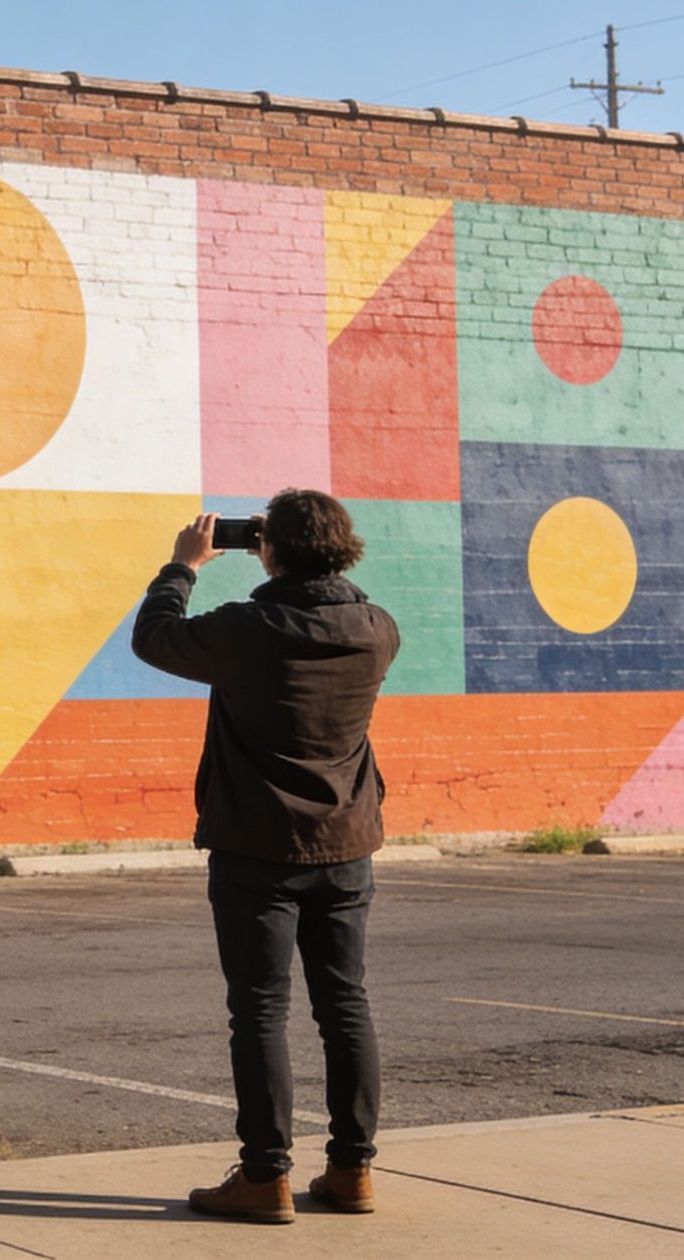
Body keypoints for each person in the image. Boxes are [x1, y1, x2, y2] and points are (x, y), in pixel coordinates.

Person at [129, 490, 399, 1225]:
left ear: (269, 549)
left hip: (256, 847)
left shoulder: (250, 627)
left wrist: (184, 566)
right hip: (346, 844)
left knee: (259, 1010)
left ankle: (264, 1177)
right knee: (345, 1004)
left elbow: (154, 639)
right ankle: (352, 1171)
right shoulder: (377, 629)